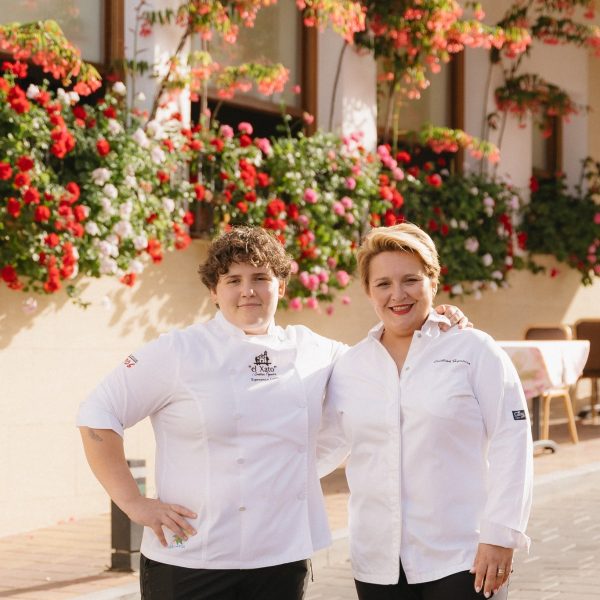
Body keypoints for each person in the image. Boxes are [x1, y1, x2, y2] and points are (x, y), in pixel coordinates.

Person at [77, 226, 468, 600]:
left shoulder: (315, 350)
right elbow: (98, 412)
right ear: (214, 291)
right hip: (192, 558)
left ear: (281, 286)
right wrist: (133, 503)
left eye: (260, 278)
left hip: (280, 558)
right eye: (233, 280)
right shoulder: (178, 351)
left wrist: (434, 319)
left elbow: (385, 360)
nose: (248, 290)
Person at [318, 223, 533, 600]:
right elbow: (323, 446)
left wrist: (501, 535)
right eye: (383, 283)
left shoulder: (473, 350)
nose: (397, 294)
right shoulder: (350, 366)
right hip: (378, 561)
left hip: (463, 556)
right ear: (368, 291)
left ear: (433, 281)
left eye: (411, 280)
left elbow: (512, 441)